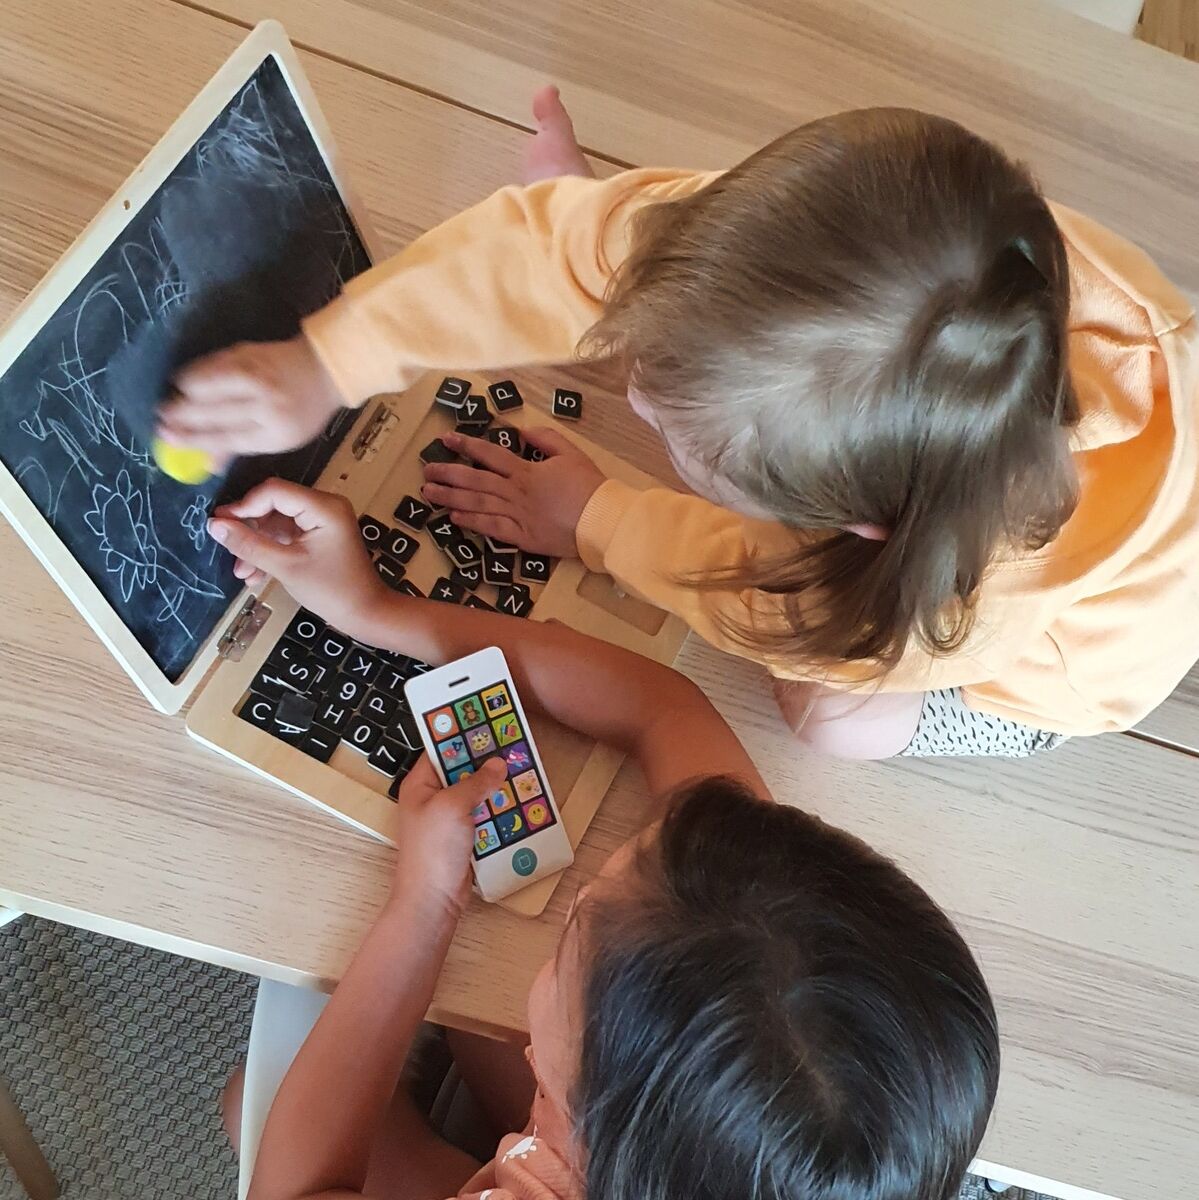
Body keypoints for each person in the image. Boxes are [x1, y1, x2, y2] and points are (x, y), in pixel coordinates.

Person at [160, 91, 1199, 760]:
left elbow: (760, 591)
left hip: (1072, 665)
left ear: (855, 525)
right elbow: (545, 252)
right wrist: (326, 359)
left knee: (825, 717)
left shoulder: (933, 594)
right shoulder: (840, 250)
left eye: (675, 426)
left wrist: (596, 520)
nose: (637, 400)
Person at [208, 479, 999, 1200]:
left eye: (580, 917)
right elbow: (663, 705)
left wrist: (424, 906)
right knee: (474, 1028)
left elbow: (296, 1188)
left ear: (588, 1117)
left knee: (256, 1099)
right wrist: (378, 612)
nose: (578, 899)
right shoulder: (761, 923)